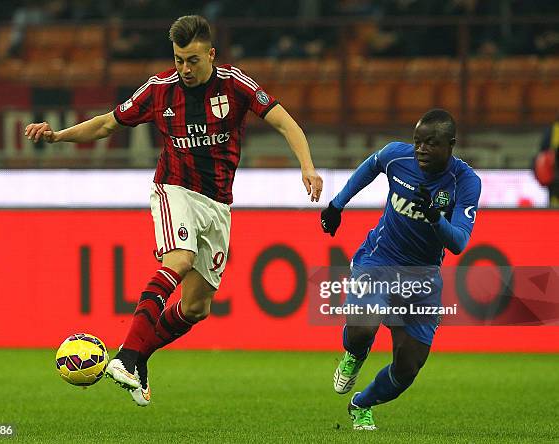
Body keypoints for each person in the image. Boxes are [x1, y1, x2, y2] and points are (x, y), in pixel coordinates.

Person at [25, 15, 323, 407]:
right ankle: (127, 356)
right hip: (174, 188)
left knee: (197, 307)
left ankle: (141, 358)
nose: (185, 68)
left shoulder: (236, 85)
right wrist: (58, 136)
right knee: (179, 258)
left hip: (218, 203)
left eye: (193, 60)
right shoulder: (159, 90)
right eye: (180, 59)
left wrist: (307, 166)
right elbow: (106, 125)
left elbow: (286, 123)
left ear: (211, 55)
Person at [320, 109, 481, 430]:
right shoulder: (397, 157)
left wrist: (436, 219)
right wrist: (337, 204)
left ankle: (361, 404)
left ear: (451, 145)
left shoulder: (465, 182)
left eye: (431, 143)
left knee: (408, 367)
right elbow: (371, 165)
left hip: (422, 278)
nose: (421, 149)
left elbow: (460, 242)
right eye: (418, 141)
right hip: (379, 260)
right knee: (363, 328)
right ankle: (355, 353)